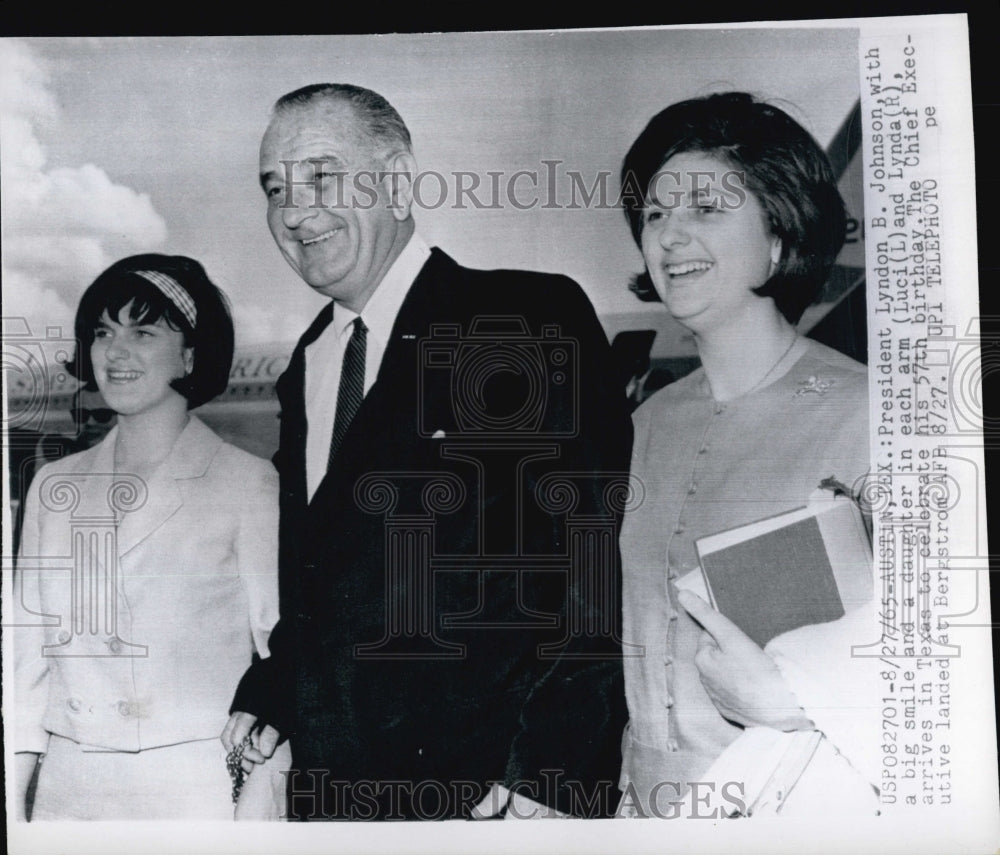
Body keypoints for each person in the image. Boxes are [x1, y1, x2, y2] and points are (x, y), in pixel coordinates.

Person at [222, 83, 631, 820]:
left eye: (322, 176)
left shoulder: (521, 320)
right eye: (275, 188)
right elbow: (325, 584)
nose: (293, 210)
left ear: (400, 179)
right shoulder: (308, 362)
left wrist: (554, 769)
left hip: (489, 800)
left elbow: (590, 556)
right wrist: (274, 692)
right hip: (335, 798)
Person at [616, 92, 878, 818]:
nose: (670, 238)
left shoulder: (872, 416)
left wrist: (802, 699)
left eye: (705, 209)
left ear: (779, 235)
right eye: (655, 215)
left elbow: (945, 663)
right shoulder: (640, 427)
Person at [13, 254, 281, 820]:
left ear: (190, 353)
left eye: (144, 331)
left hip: (195, 793)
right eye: (103, 332)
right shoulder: (52, 486)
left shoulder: (245, 483)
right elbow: (24, 664)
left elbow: (282, 661)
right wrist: (15, 803)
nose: (115, 351)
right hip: (66, 790)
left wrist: (257, 810)